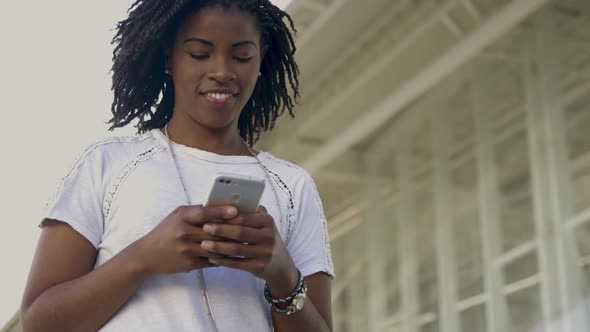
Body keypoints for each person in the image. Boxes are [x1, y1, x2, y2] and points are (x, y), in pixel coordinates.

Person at [19, 1, 334, 331]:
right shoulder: (107, 165)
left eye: (241, 56)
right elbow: (38, 323)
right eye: (199, 53)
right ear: (169, 57)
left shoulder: (291, 185)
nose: (222, 71)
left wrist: (283, 275)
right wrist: (143, 258)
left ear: (261, 60)